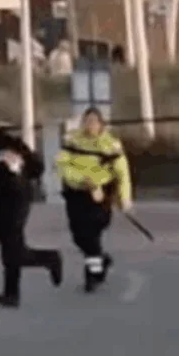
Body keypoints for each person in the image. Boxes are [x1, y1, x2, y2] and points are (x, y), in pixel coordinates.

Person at [0, 108, 63, 308]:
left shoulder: (10, 143)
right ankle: (15, 290)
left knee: (12, 248)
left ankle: (46, 261)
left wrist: (21, 171)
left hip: (17, 199)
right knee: (10, 249)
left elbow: (36, 166)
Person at [56, 107, 133, 293]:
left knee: (92, 234)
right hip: (76, 194)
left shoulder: (111, 145)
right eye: (87, 121)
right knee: (79, 236)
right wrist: (81, 180)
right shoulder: (73, 141)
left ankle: (93, 274)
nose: (90, 125)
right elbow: (61, 166)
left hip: (100, 195)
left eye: (94, 121)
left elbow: (122, 174)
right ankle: (101, 261)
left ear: (101, 124)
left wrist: (125, 199)